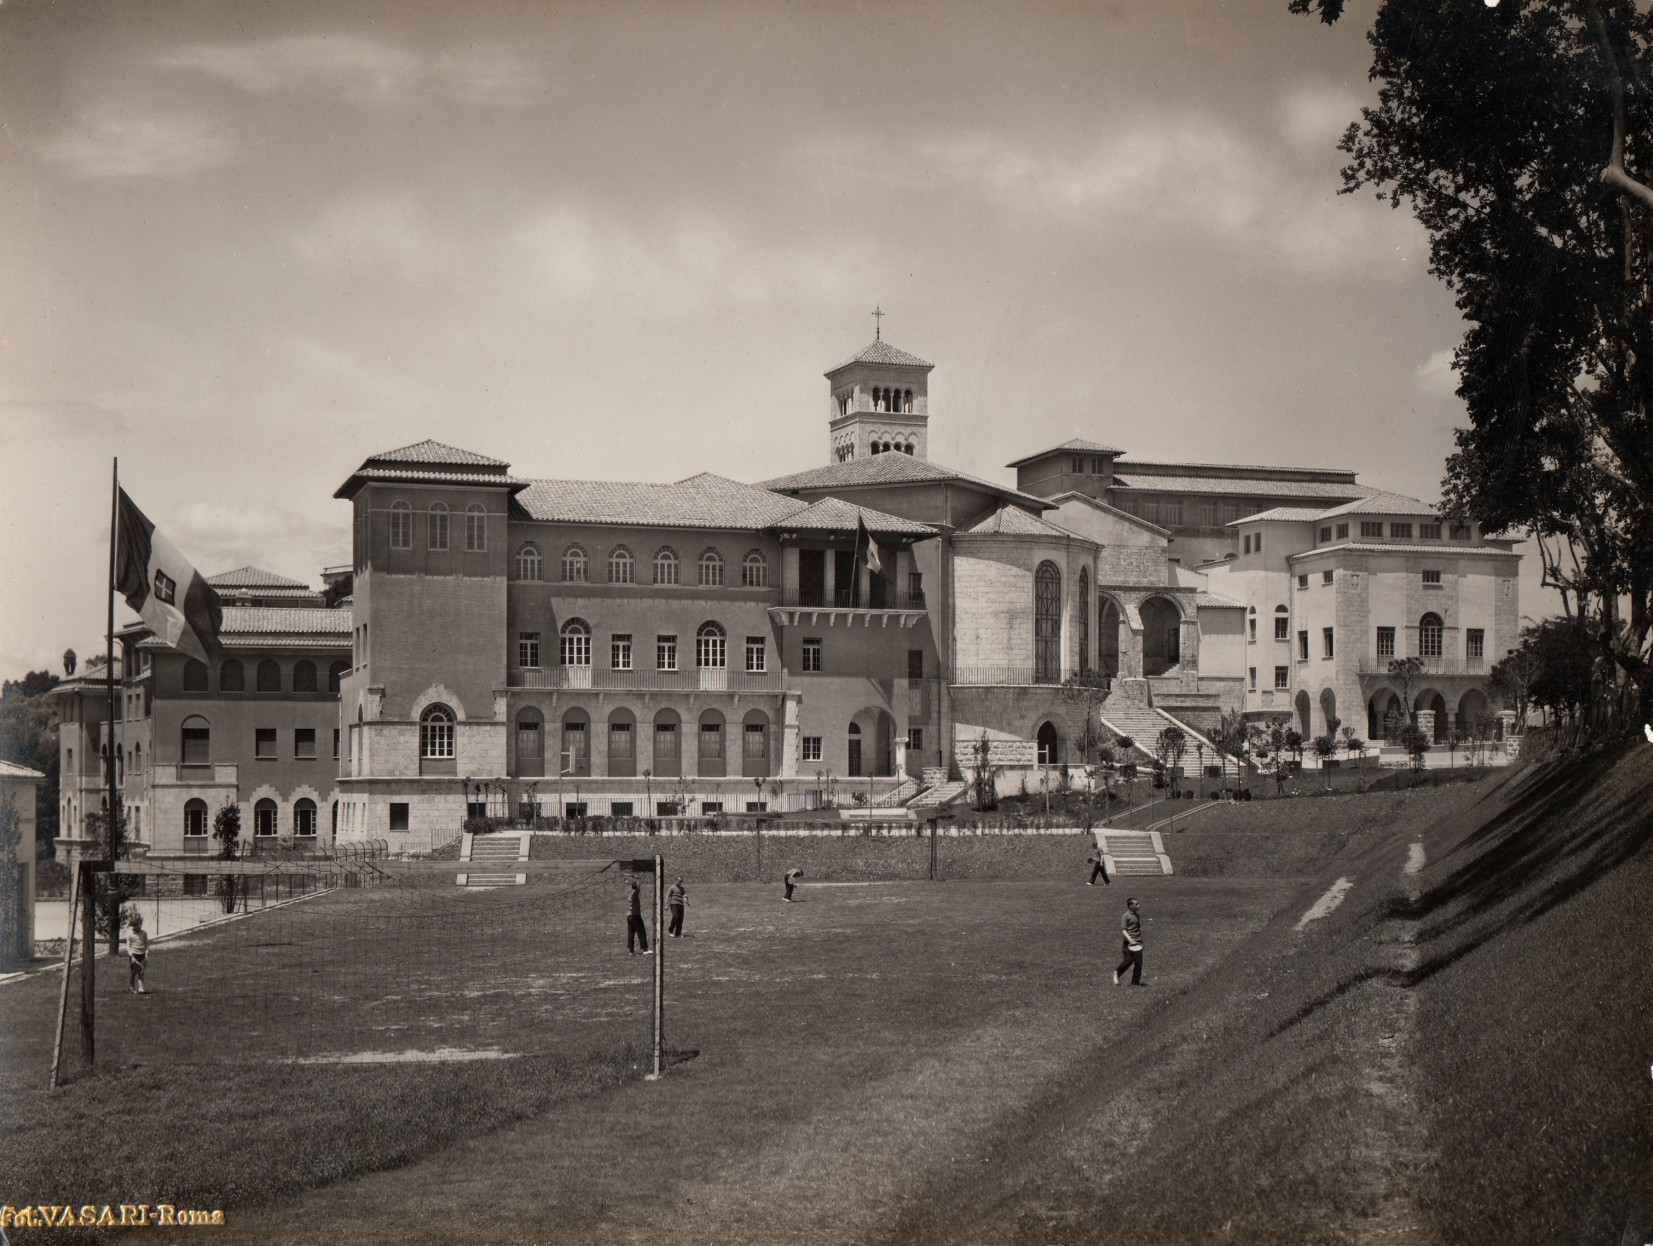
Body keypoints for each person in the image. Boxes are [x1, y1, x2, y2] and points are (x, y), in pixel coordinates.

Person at [1113, 897, 1144, 986]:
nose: (1138, 905)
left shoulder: (1137, 915)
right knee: (1128, 960)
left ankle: (1135, 983)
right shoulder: (1126, 916)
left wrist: (1140, 942)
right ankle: (1117, 972)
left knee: (1138, 964)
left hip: (1137, 943)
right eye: (1136, 904)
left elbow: (1138, 929)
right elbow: (1123, 930)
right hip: (1128, 943)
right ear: (1130, 906)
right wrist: (1131, 940)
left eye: (1138, 904)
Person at [625, 878, 649, 954]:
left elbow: (629, 898)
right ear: (636, 886)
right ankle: (645, 950)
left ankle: (631, 951)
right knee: (641, 931)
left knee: (631, 933)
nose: (640, 886)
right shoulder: (635, 893)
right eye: (639, 885)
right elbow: (636, 891)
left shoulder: (632, 893)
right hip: (634, 915)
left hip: (629, 916)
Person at [127, 913, 150, 994]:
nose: (140, 926)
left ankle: (141, 987)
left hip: (142, 955)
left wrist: (146, 953)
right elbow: (128, 947)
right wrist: (131, 956)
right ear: (134, 926)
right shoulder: (130, 934)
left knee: (141, 971)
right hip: (134, 955)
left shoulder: (144, 933)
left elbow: (146, 944)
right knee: (133, 973)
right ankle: (132, 987)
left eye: (141, 924)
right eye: (139, 925)